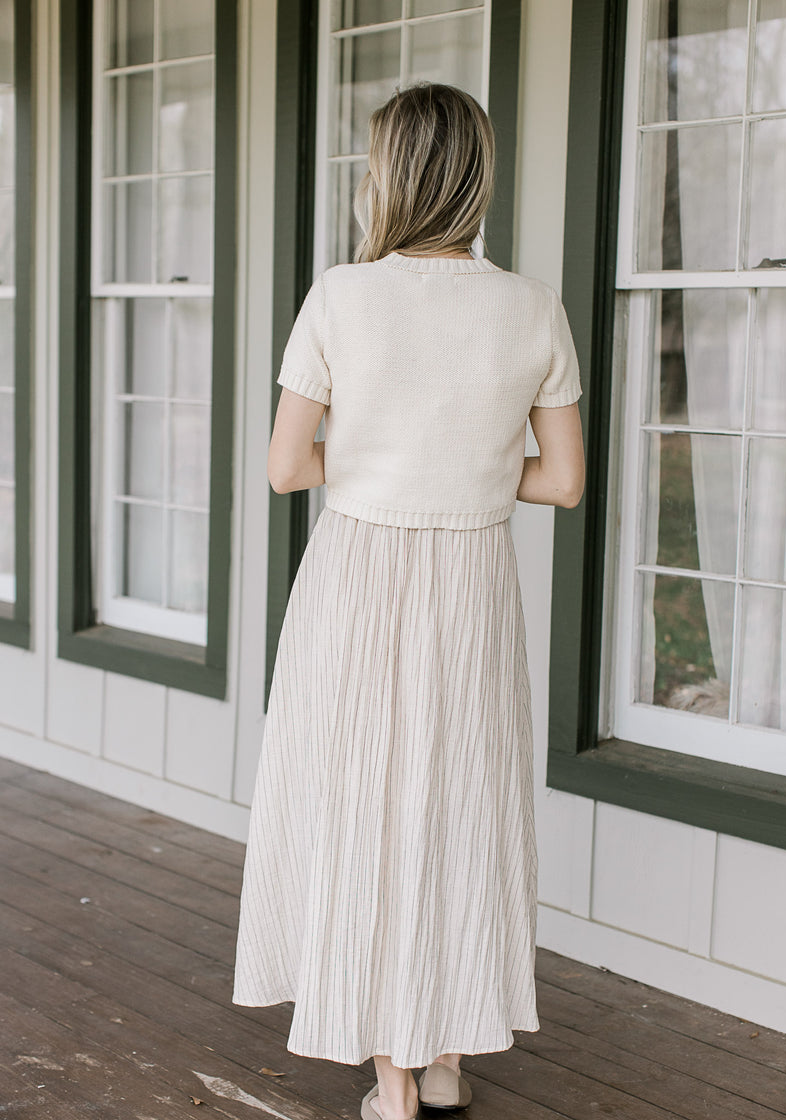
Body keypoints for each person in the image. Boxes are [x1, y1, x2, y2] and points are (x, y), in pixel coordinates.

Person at [232, 82, 585, 1120]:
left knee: (363, 803)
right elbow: (560, 481)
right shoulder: (528, 305)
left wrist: (387, 455)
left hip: (358, 576)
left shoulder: (341, 294)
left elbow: (287, 466)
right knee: (452, 801)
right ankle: (440, 1054)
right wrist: (466, 464)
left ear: (385, 175)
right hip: (469, 581)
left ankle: (391, 1079)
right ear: (476, 175)